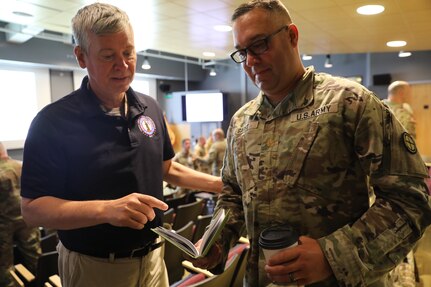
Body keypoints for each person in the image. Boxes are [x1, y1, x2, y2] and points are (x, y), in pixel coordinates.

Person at [189, 1, 431, 286]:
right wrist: (218, 242)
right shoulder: (242, 122)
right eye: (242, 52)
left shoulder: (349, 103)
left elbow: (411, 200)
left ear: (292, 36)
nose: (251, 60)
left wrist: (333, 256)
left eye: (260, 45)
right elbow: (232, 194)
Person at [20, 3, 221, 287]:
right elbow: (32, 208)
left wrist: (219, 184)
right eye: (108, 56)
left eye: (128, 52)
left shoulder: (149, 108)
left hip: (153, 259)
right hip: (94, 267)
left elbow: (166, 168)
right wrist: (107, 210)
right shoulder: (52, 122)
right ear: (81, 57)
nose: (123, 65)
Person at [0, 142, 41, 287]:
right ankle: (40, 281)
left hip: (3, 225)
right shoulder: (22, 166)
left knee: (5, 265)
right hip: (28, 219)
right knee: (35, 256)